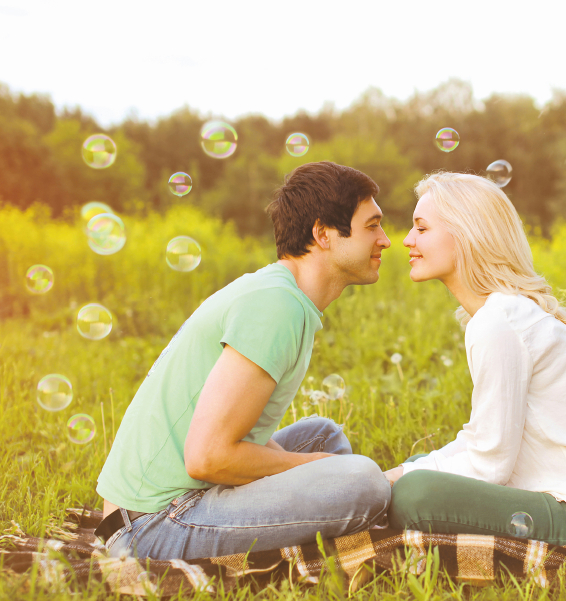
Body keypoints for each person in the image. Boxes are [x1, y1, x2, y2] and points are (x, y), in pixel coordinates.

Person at [95, 161, 393, 559]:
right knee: (365, 484)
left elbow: (238, 432)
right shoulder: (276, 306)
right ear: (323, 233)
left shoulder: (283, 294)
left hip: (168, 501)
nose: (386, 240)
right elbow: (208, 457)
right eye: (372, 225)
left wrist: (312, 461)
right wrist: (314, 467)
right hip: (152, 525)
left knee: (321, 434)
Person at [383, 172, 566, 545]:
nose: (407, 239)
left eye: (421, 228)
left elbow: (489, 463)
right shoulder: (500, 315)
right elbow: (482, 438)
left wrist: (402, 480)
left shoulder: (499, 322)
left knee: (415, 494)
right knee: (414, 473)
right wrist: (402, 470)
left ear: (465, 234)